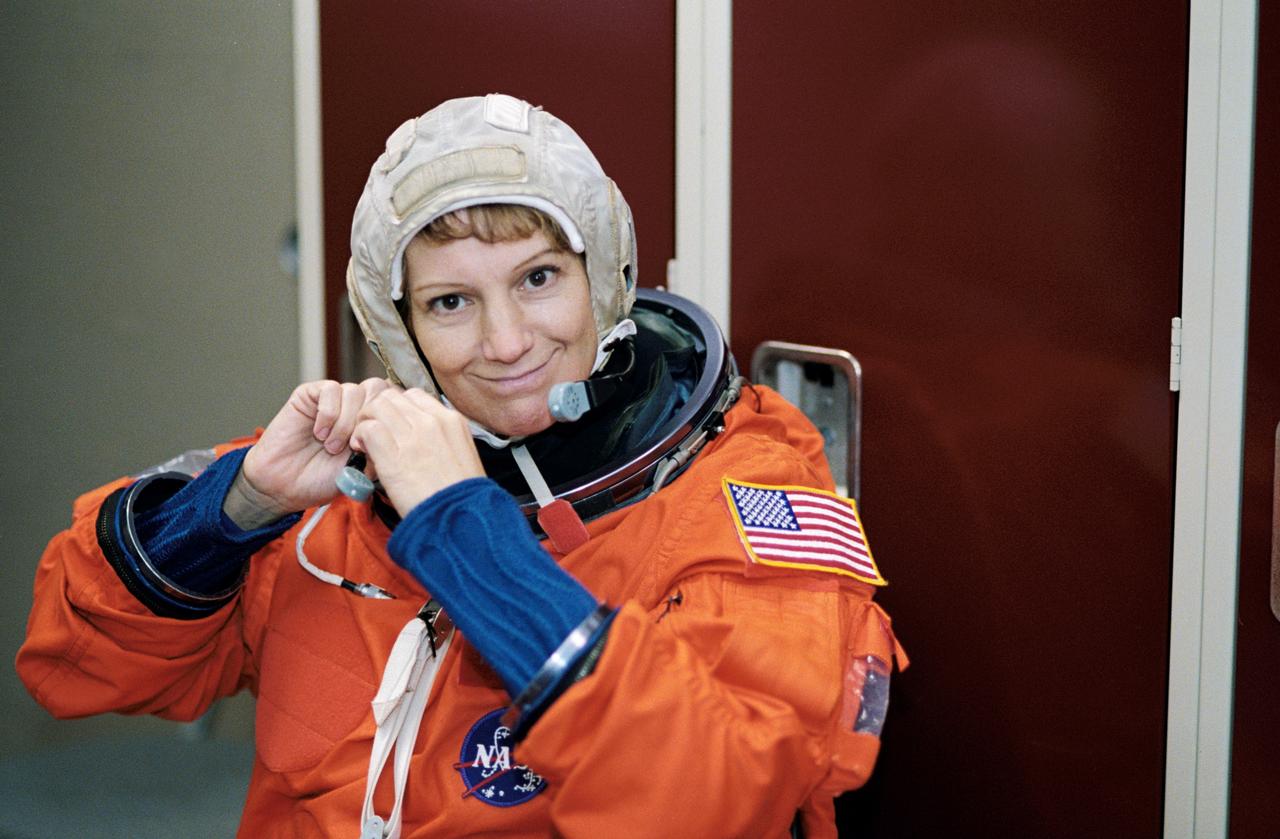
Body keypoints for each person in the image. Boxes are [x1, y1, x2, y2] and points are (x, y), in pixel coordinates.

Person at [17, 93, 906, 838]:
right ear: (399, 334)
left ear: (603, 276)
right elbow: (79, 661)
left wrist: (466, 535)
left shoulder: (743, 492)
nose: (507, 342)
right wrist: (236, 507)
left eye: (537, 279)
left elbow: (717, 797)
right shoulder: (345, 488)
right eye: (451, 301)